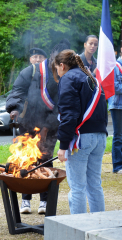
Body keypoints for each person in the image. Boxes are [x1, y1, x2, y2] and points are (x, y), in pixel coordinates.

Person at [6, 40, 70, 214]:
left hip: (51, 126)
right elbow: (17, 91)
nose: (60, 66)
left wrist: (48, 127)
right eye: (58, 62)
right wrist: (14, 109)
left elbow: (63, 103)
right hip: (28, 125)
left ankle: (44, 200)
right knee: (27, 160)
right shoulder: (31, 71)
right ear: (52, 58)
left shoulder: (66, 73)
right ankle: (25, 201)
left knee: (46, 161)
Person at [53, 49, 107, 214]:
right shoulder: (91, 77)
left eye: (57, 68)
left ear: (62, 65)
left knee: (77, 188)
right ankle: (100, 227)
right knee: (94, 185)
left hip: (81, 140)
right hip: (100, 136)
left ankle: (79, 231)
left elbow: (69, 115)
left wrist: (63, 145)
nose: (57, 72)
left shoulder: (68, 78)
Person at [108, 47, 122, 174]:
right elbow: (115, 87)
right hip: (117, 105)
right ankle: (117, 166)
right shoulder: (116, 65)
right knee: (118, 135)